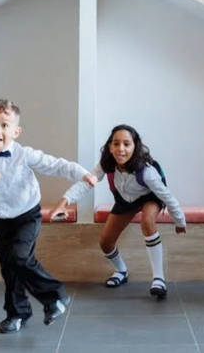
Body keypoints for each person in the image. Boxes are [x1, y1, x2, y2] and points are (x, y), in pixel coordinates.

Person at [0, 99, 97, 333]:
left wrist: (82, 174)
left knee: (20, 257)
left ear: (16, 131)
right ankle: (17, 313)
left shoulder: (24, 154)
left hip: (27, 215)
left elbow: (56, 165)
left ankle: (55, 296)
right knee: (9, 268)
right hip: (2, 220)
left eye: (4, 125)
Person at [53, 124, 186, 299]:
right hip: (124, 201)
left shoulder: (146, 171)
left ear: (135, 146)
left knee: (147, 222)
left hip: (149, 197)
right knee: (105, 242)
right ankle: (121, 271)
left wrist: (180, 221)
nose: (121, 149)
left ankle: (159, 279)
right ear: (110, 146)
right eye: (116, 144)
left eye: (126, 144)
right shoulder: (106, 165)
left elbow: (167, 196)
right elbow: (86, 183)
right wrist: (64, 202)